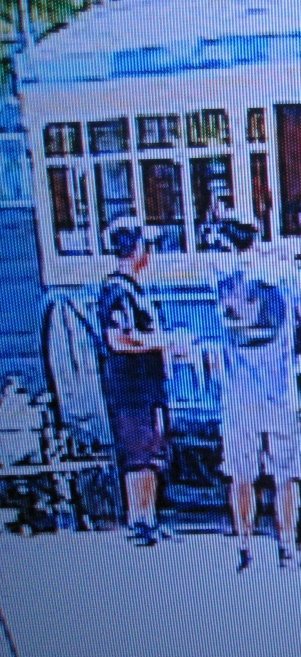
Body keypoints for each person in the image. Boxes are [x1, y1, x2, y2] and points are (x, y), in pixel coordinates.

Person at [213, 211, 301, 571]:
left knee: (241, 475)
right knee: (286, 473)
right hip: (279, 389)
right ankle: (288, 547)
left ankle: (245, 546)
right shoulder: (283, 273)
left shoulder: (219, 275)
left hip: (237, 392)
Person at [97, 216, 191, 546]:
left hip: (148, 387)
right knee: (138, 456)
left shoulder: (134, 290)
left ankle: (149, 518)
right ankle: (138, 521)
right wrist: (161, 342)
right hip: (131, 389)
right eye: (145, 246)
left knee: (152, 454)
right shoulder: (116, 291)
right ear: (135, 248)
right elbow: (117, 339)